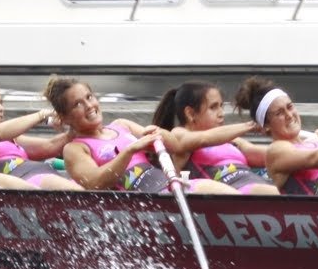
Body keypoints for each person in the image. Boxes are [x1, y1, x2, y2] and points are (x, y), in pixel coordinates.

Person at [46, 75, 233, 194]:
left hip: (170, 187)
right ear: (65, 117)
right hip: (144, 202)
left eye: (89, 97)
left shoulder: (121, 125)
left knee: (224, 193)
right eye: (78, 104)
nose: (89, 106)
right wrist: (129, 151)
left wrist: (158, 133)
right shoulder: (74, 148)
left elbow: (175, 146)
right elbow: (95, 183)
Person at [0, 72, 83, 189]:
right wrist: (41, 115)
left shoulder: (11, 138)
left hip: (38, 175)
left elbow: (49, 146)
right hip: (22, 184)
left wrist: (74, 129)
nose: (1, 108)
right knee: (78, 193)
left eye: (1, 103)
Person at [151, 80, 279, 194]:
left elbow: (270, 155)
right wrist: (251, 125)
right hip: (224, 197)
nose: (221, 114)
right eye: (213, 107)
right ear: (190, 114)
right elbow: (204, 138)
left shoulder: (233, 141)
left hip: (257, 187)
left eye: (221, 106)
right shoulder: (179, 134)